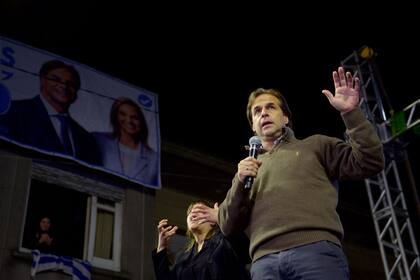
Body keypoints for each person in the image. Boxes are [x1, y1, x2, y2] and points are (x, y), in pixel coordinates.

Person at [191, 67, 385, 279]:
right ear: (253, 128)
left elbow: (369, 161)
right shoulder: (246, 170)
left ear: (285, 118)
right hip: (264, 265)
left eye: (270, 107)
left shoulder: (315, 146)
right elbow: (228, 226)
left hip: (315, 253)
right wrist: (239, 182)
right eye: (257, 111)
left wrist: (351, 114)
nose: (263, 113)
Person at [0, 59, 102, 165]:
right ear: (42, 80)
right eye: (56, 79)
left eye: (71, 84)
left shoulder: (87, 139)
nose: (63, 86)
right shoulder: (14, 112)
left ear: (76, 91)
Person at [152, 201, 250, 280]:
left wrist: (221, 218)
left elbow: (245, 252)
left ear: (213, 221)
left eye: (200, 211)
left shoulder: (225, 240)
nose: (193, 214)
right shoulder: (183, 258)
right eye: (190, 212)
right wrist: (162, 247)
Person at [93, 97, 158, 186]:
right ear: (115, 116)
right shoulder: (99, 141)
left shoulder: (153, 158)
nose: (129, 121)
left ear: (141, 122)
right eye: (123, 114)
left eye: (134, 117)